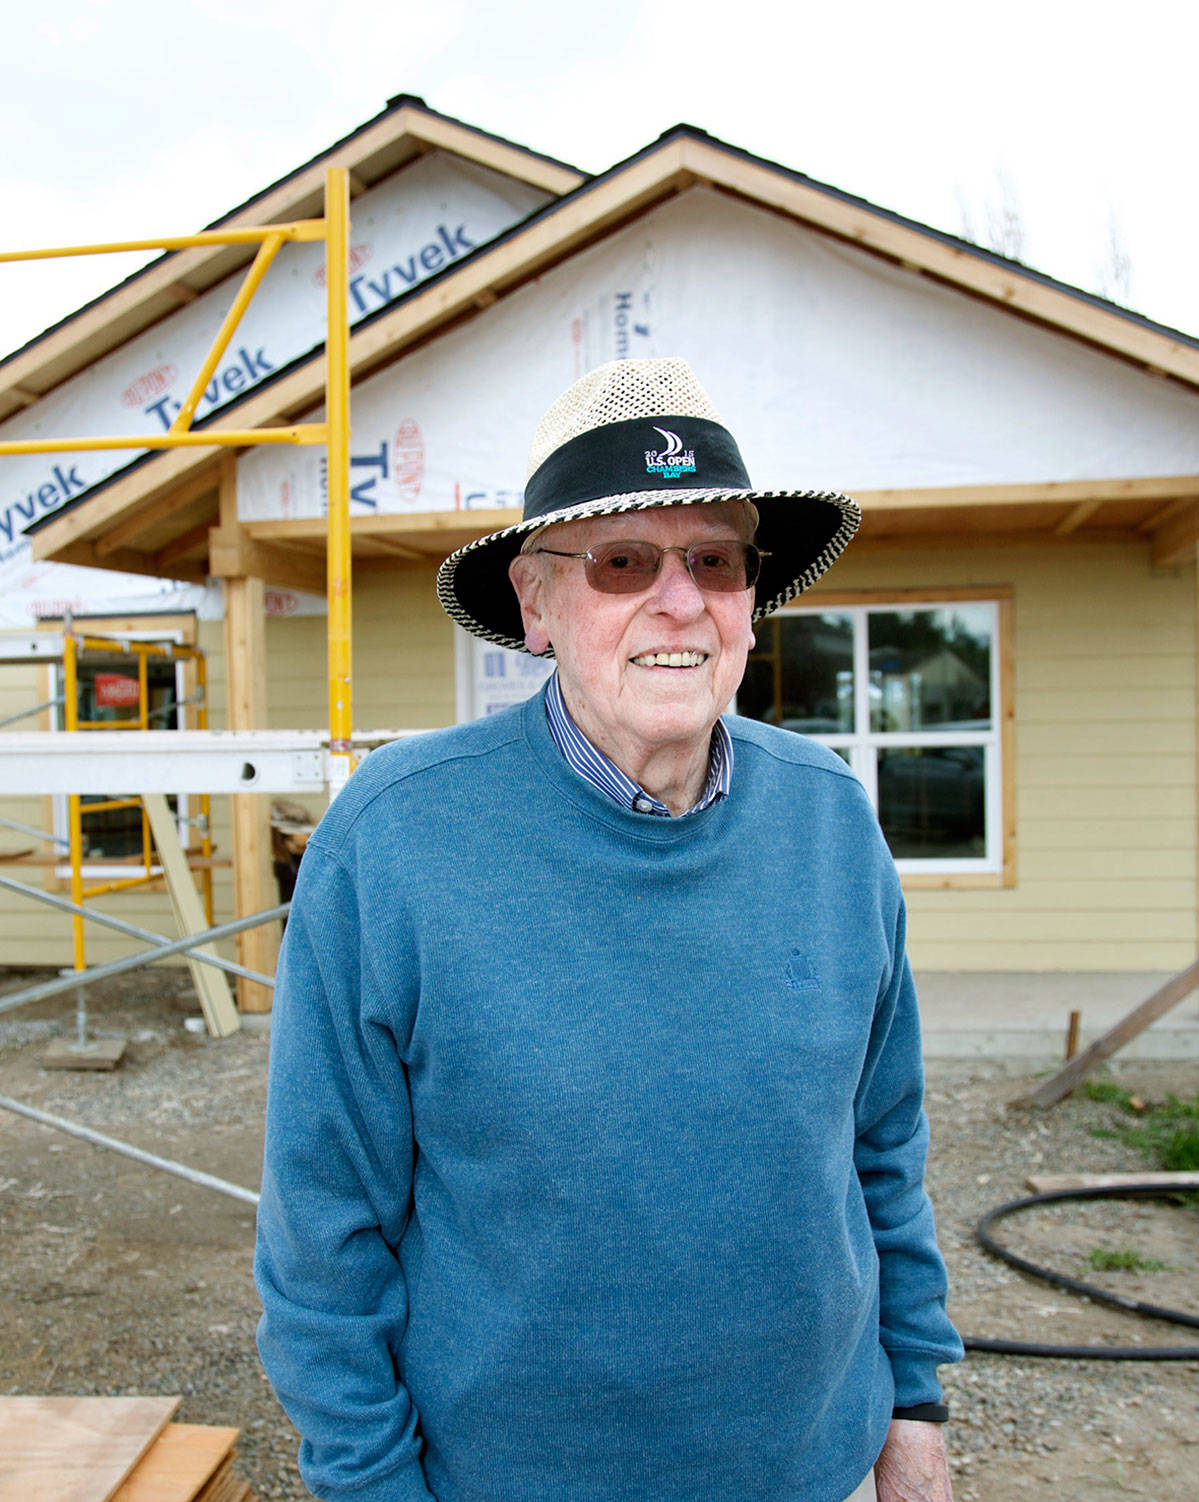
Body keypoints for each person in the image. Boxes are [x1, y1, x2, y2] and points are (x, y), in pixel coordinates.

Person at [255, 357, 963, 1501]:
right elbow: (321, 1235)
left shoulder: (830, 816)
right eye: (622, 560)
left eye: (715, 561)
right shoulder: (393, 840)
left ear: (747, 598)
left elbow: (882, 1149)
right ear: (533, 605)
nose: (677, 601)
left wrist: (915, 1407)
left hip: (816, 1471)